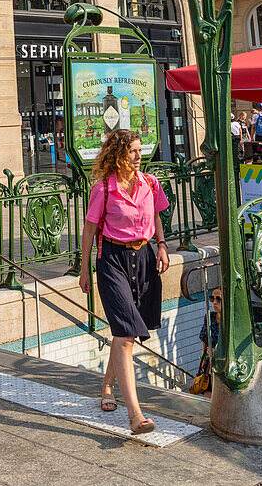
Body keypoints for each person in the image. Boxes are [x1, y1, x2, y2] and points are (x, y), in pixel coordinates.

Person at [80, 130, 169, 436]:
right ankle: (135, 415)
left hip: (143, 257)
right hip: (112, 261)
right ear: (118, 154)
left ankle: (107, 385)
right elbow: (89, 231)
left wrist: (161, 245)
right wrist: (83, 270)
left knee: (124, 333)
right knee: (127, 334)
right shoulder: (103, 188)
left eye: (139, 150)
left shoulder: (149, 183)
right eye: (132, 150)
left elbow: (157, 216)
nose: (138, 155)